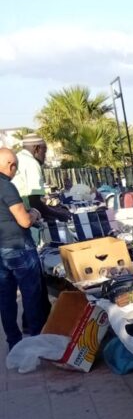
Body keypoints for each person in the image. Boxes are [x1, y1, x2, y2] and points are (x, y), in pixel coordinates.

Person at [0, 148, 48, 351]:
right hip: (19, 248)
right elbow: (25, 221)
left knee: (6, 299)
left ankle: (14, 343)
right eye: (15, 168)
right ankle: (36, 344)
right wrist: (35, 213)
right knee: (32, 296)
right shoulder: (6, 186)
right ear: (10, 165)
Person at [12, 133, 69, 225]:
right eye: (44, 152)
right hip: (25, 218)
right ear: (37, 148)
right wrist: (58, 214)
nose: (45, 157)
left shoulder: (17, 157)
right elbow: (35, 203)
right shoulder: (31, 163)